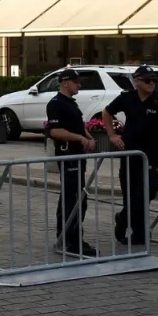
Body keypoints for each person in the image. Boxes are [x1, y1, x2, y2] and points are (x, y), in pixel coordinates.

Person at [104, 65, 158, 248]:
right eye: (148, 80)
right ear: (137, 81)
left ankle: (123, 217)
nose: (152, 84)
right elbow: (107, 112)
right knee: (131, 194)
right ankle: (140, 233)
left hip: (152, 154)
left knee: (148, 192)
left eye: (154, 81)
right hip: (130, 154)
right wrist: (112, 135)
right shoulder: (127, 98)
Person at [44, 70, 97, 258]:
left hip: (78, 155)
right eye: (76, 82)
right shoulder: (56, 104)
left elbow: (79, 125)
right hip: (68, 156)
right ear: (65, 82)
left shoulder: (71, 104)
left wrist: (89, 137)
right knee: (72, 198)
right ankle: (68, 240)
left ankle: (73, 237)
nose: (79, 85)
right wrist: (80, 139)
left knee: (78, 198)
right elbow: (55, 131)